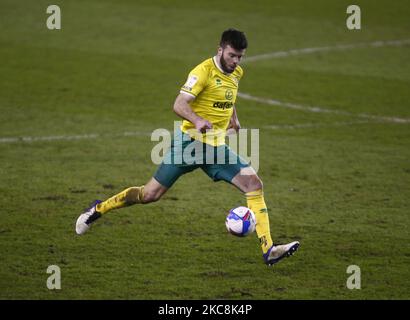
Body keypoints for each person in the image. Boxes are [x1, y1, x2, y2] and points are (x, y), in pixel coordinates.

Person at [75, 28, 299, 266]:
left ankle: (269, 249)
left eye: (240, 57)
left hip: (215, 148)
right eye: (232, 55)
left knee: (254, 185)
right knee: (149, 194)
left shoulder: (237, 73)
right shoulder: (202, 72)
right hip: (189, 145)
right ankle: (98, 209)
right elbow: (179, 104)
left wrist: (234, 118)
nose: (236, 61)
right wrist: (197, 120)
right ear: (220, 49)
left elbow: (228, 96)